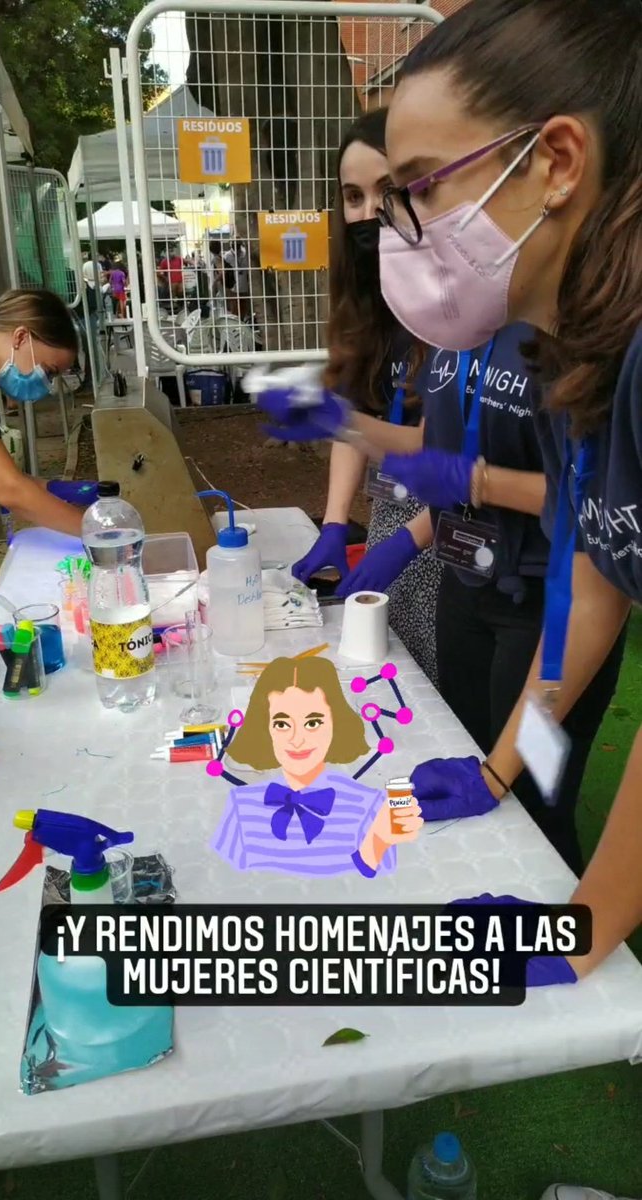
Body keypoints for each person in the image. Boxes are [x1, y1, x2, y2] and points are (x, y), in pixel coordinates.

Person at [367, 0, 642, 998]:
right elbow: (597, 581)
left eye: (417, 192)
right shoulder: (590, 360)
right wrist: (496, 769)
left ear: (558, 161)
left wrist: (586, 920)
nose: (399, 232)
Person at [290, 109, 444, 685]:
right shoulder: (368, 298)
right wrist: (334, 523)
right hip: (391, 522)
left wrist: (410, 540)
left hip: (456, 531)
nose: (365, 212)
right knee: (385, 679)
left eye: (385, 190)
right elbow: (356, 420)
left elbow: (481, 457)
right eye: (352, 196)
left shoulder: (461, 304)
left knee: (439, 692)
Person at [211, 656, 422, 876]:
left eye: (312, 723)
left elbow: (381, 889)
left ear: (336, 723)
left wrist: (376, 842)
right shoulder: (240, 809)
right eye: (282, 724)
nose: (297, 739)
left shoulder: (372, 809)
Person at [0, 289, 88, 538]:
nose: (47, 383)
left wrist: (53, 488)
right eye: (49, 371)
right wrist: (96, 533)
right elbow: (8, 489)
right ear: (20, 337)